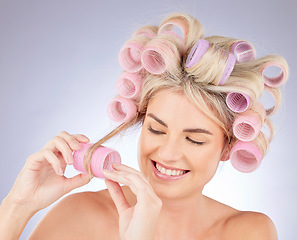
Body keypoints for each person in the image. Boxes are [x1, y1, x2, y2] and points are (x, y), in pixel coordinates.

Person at [0, 12, 288, 239]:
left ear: (229, 147)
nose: (168, 153)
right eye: (156, 129)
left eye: (194, 140)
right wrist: (17, 207)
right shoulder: (81, 216)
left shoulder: (249, 233)